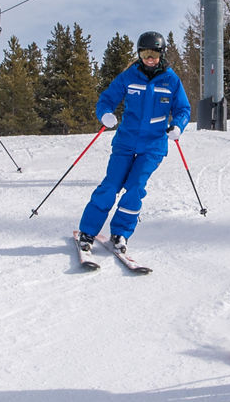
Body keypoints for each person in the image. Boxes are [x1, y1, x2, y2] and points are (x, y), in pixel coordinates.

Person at [76, 31, 191, 256]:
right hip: (126, 142)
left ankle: (120, 232)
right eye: (145, 53)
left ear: (162, 54)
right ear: (139, 54)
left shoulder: (171, 80)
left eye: (154, 54)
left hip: (153, 145)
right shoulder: (129, 76)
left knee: (136, 188)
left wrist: (178, 125)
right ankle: (88, 231)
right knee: (111, 186)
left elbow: (183, 109)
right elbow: (107, 99)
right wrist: (105, 114)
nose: (150, 58)